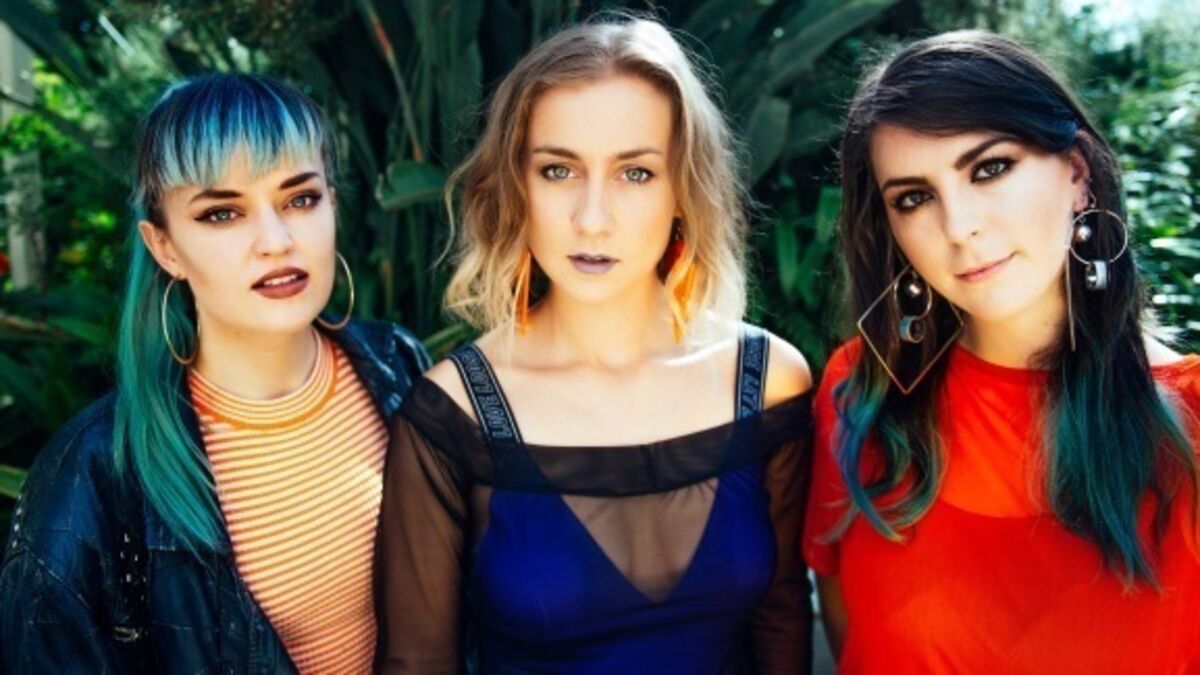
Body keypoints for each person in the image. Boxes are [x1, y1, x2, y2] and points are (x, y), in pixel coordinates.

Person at [378, 16, 814, 674]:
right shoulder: (453, 413)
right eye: (558, 170)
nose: (592, 218)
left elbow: (780, 613)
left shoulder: (768, 379)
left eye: (635, 173)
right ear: (517, 184)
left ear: (683, 188)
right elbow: (418, 663)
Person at [0, 74, 430, 674]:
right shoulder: (93, 475)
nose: (276, 241)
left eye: (300, 199)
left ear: (333, 203)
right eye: (222, 213)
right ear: (164, 247)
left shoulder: (399, 364)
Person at [805, 30, 1200, 672]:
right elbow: (849, 631)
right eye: (914, 198)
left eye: (990, 168)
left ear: (1077, 174)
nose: (960, 227)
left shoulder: (1190, 417)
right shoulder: (862, 391)